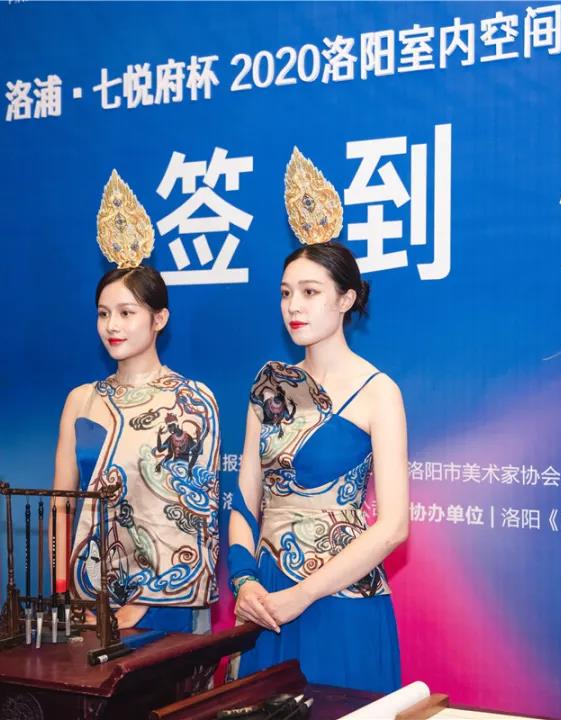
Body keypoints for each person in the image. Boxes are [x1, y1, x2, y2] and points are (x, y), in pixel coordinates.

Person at [228, 149, 409, 691]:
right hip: (266, 598)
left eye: (310, 293)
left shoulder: (379, 391)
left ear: (346, 299)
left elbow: (394, 526)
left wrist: (304, 594)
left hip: (341, 598)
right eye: (287, 294)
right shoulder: (269, 386)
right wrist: (243, 581)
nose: (294, 306)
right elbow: (244, 498)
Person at [53, 170, 220, 634]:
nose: (113, 326)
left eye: (127, 313)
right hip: (88, 594)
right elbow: (61, 507)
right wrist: (64, 590)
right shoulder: (82, 400)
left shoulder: (192, 401)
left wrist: (144, 603)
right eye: (104, 314)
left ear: (159, 319)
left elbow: (195, 515)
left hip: (167, 601)